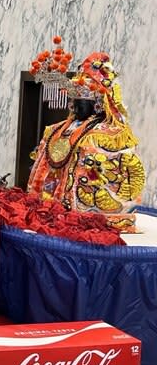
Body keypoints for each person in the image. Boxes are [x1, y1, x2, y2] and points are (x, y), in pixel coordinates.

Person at [28, 47, 146, 231]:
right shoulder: (58, 128)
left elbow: (126, 172)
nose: (73, 105)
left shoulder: (106, 135)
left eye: (81, 101)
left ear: (98, 104)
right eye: (73, 100)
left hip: (91, 206)